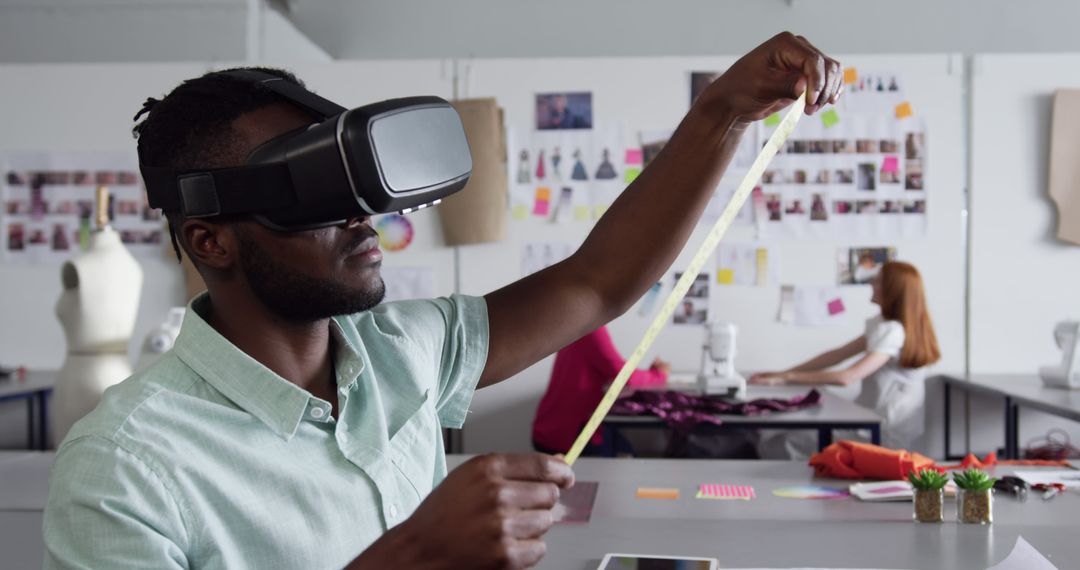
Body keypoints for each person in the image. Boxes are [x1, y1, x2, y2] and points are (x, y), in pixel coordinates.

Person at [43, 32, 842, 570]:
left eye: (353, 181)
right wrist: (414, 557)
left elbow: (595, 281)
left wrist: (719, 115)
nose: (363, 215)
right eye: (310, 190)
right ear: (209, 240)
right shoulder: (123, 469)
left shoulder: (404, 351)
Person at [750, 261, 941, 453]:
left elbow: (847, 377)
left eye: (878, 282)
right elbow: (836, 355)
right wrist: (782, 373)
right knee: (780, 436)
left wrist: (785, 378)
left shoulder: (893, 331)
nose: (872, 285)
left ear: (892, 290)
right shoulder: (883, 325)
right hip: (873, 420)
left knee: (782, 441)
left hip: (884, 428)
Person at [532, 326, 669, 457]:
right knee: (626, 459)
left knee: (625, 454)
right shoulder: (591, 329)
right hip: (567, 433)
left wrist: (651, 374)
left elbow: (613, 369)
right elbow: (622, 375)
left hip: (554, 426)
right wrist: (658, 375)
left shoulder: (580, 326)